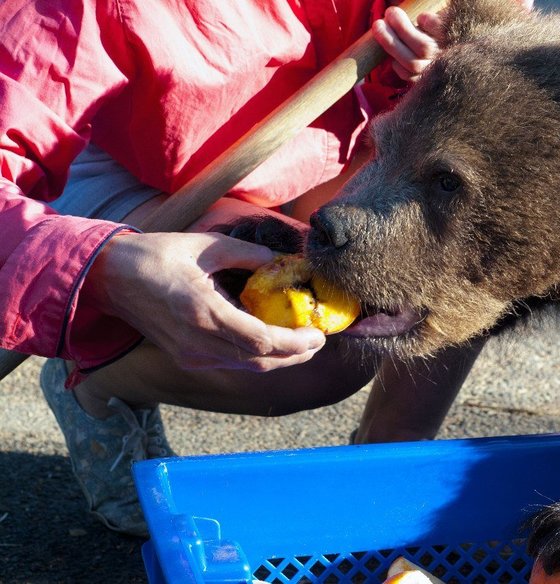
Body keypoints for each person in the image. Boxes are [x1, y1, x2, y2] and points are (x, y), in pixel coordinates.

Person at [0, 0, 529, 538]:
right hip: (116, 156)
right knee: (321, 351)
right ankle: (97, 382)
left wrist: (440, 65)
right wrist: (102, 271)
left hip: (310, 142)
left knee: (463, 222)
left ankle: (387, 475)